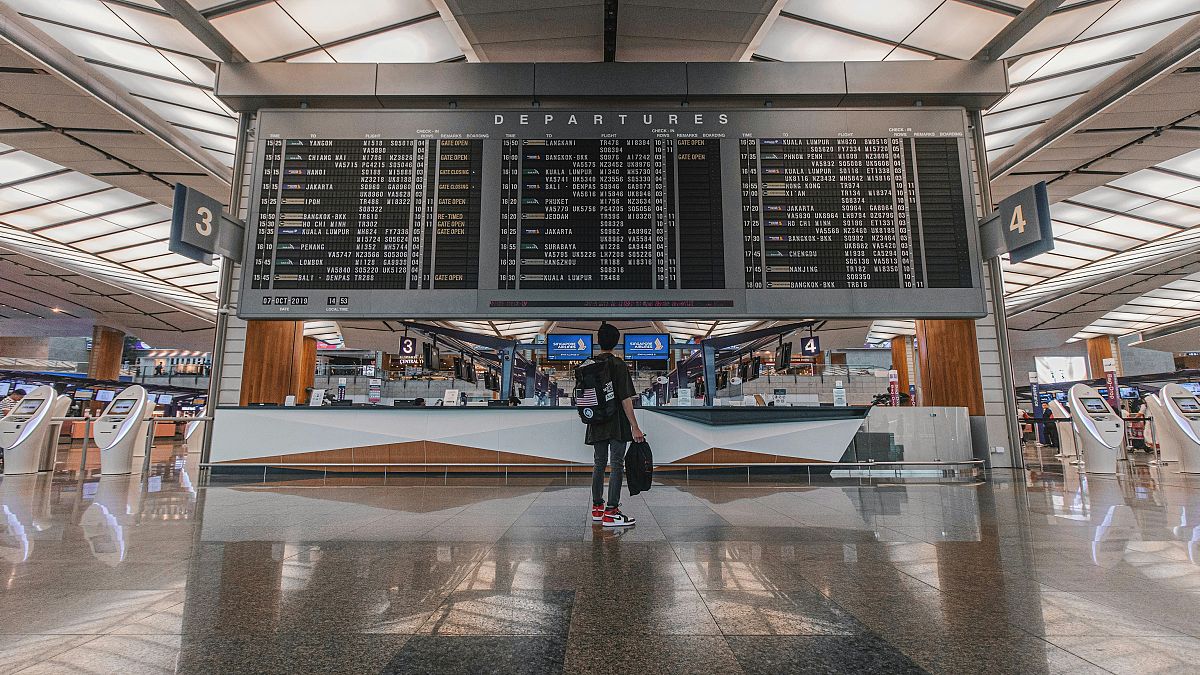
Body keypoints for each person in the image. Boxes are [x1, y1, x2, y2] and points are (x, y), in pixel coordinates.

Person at [585, 322, 645, 528]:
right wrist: (635, 426)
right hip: (616, 423)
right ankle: (611, 512)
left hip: (596, 421)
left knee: (599, 463)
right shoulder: (618, 365)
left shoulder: (589, 363)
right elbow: (625, 399)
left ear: (598, 342)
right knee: (616, 464)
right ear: (616, 342)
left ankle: (597, 508)